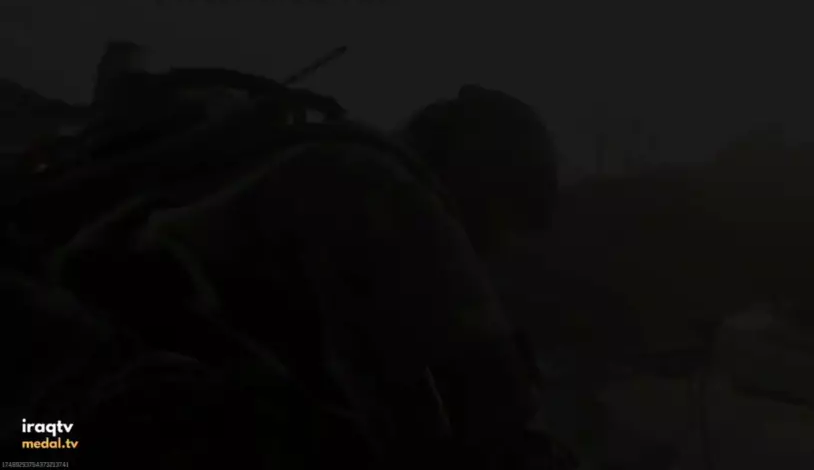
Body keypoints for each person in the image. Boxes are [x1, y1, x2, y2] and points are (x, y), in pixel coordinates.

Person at [45, 83, 566, 468]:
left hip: (50, 423)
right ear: (487, 176)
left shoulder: (322, 163)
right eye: (512, 219)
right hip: (88, 422)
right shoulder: (381, 190)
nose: (496, 250)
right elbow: (490, 407)